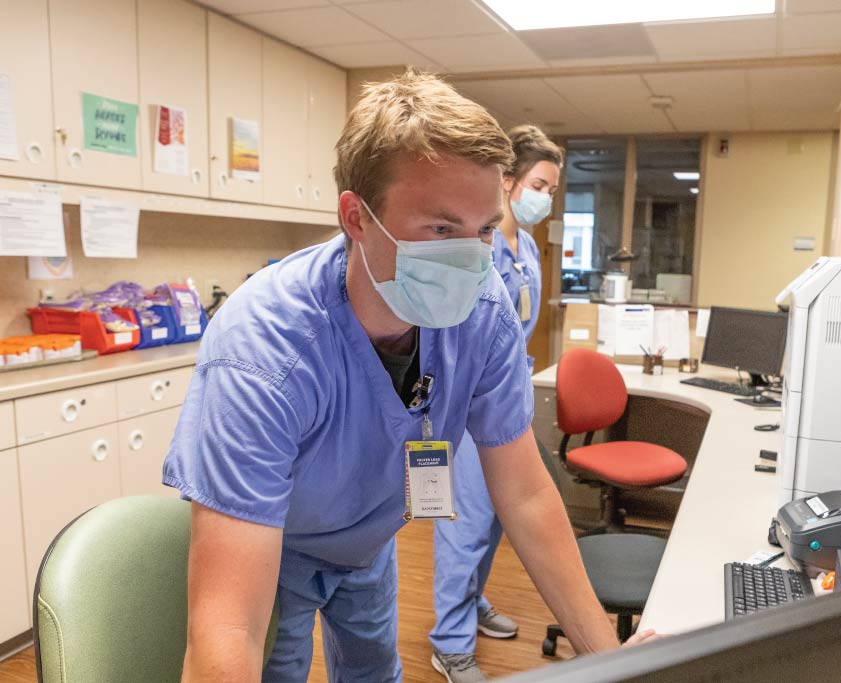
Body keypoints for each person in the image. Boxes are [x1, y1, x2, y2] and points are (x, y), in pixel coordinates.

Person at [163, 72, 655, 683]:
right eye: (441, 230)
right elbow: (227, 628)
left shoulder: (484, 308)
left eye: (482, 230)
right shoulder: (263, 350)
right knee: (274, 668)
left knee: (375, 671)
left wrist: (613, 659)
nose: (472, 259)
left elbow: (526, 495)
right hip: (275, 546)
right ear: (356, 218)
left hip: (370, 541)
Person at [430, 125, 562, 682]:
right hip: (461, 407)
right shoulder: (474, 250)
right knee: (465, 521)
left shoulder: (525, 246)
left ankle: (471, 600)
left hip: (505, 399)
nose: (544, 198)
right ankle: (450, 640)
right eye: (538, 184)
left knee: (497, 522)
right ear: (507, 182)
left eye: (553, 189)